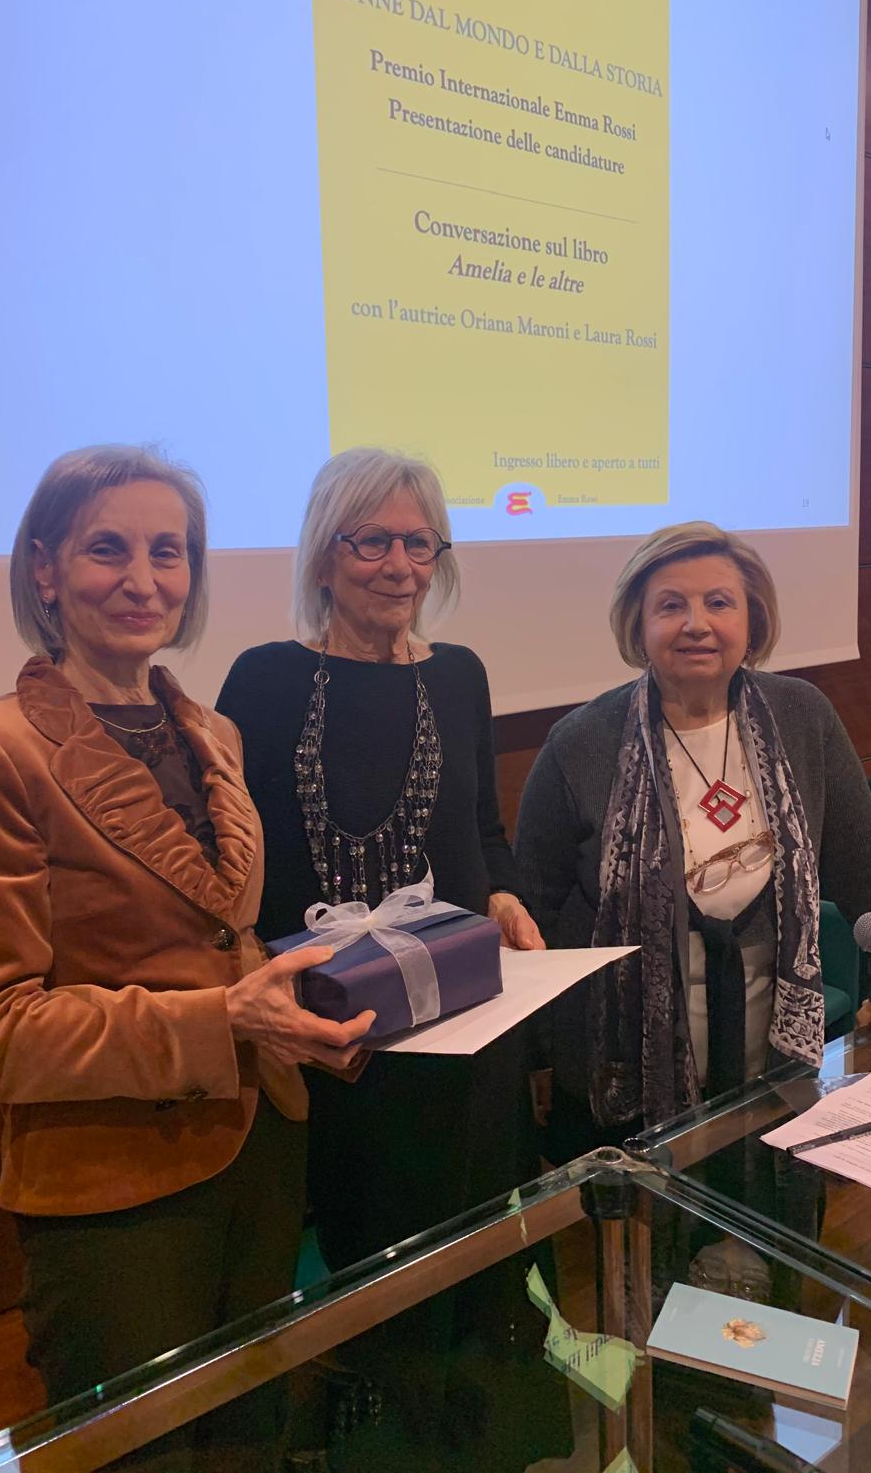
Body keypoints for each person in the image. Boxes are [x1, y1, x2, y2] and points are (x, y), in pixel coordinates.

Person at [0, 445, 372, 1469]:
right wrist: (223, 1020)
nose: (143, 579)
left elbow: (222, 944)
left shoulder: (212, 732)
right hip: (113, 1190)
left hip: (259, 1148)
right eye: (106, 550)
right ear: (45, 568)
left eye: (169, 552)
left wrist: (300, 1020)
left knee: (249, 1439)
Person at [216, 446, 565, 1470]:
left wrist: (504, 892)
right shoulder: (264, 679)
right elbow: (238, 860)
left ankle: (489, 1440)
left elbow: (482, 828)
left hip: (467, 1015)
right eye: (373, 540)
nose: (399, 565)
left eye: (420, 542)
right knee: (376, 1257)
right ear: (326, 554)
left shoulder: (459, 674)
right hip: (342, 1029)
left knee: (485, 1240)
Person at [515, 520, 871, 1165]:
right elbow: (534, 910)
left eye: (718, 602)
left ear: (752, 620)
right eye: (670, 605)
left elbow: (863, 860)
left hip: (772, 1051)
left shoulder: (803, 715)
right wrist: (535, 1059)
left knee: (766, 1209)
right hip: (625, 1065)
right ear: (638, 626)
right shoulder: (581, 742)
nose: (696, 624)